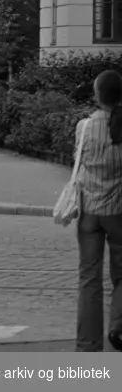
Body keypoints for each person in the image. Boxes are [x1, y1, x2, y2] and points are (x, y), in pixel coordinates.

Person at [74, 69, 122, 353]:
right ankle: (118, 327)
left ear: (97, 96)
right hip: (118, 212)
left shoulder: (84, 127)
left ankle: (87, 347)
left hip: (89, 212)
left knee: (89, 279)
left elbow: (79, 163)